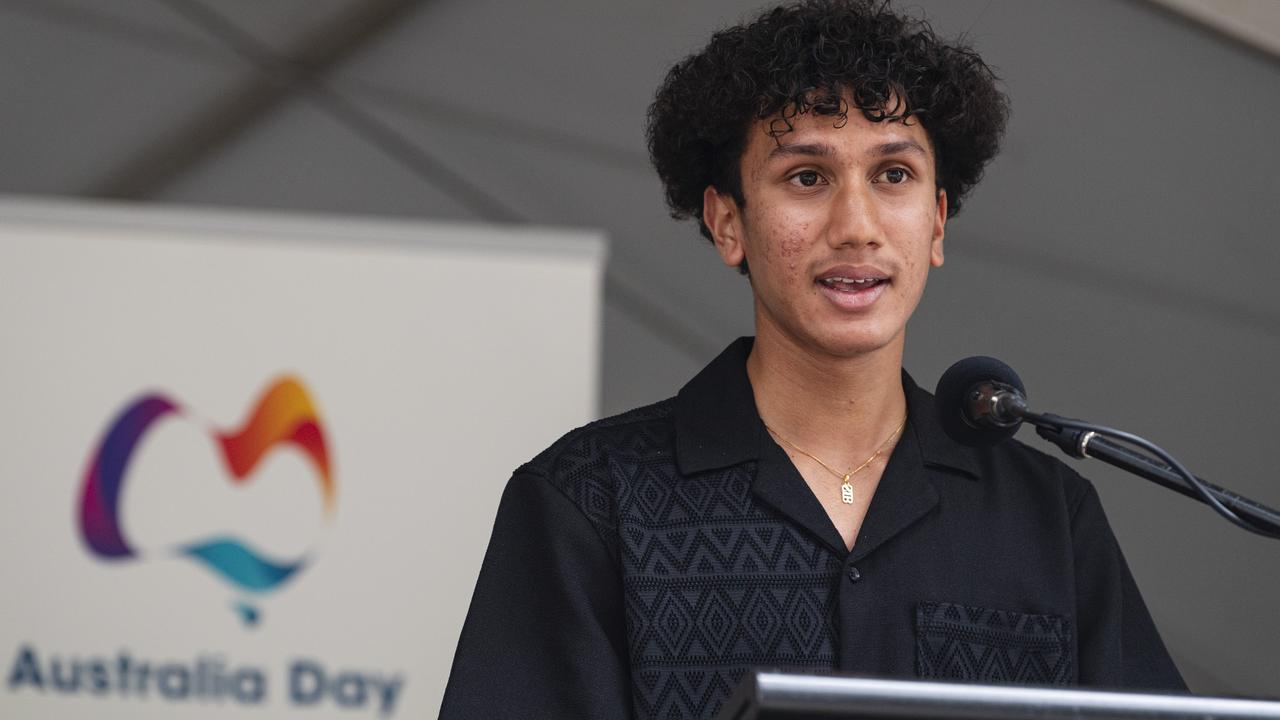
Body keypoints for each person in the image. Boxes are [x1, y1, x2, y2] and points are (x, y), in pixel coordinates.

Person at [440, 1, 1185, 717]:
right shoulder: (590, 502)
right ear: (727, 222)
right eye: (807, 177)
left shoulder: (1047, 515)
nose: (856, 226)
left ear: (936, 222)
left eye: (893, 174)